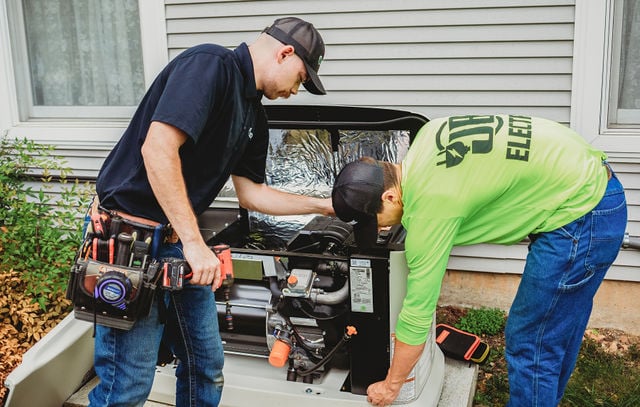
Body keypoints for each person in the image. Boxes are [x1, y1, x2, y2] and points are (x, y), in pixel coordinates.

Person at [89, 17, 332, 407]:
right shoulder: (209, 66)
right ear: (285, 53)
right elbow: (157, 150)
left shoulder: (254, 114)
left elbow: (252, 194)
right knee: (126, 385)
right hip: (130, 240)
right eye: (301, 78)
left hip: (177, 245)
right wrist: (193, 242)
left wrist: (324, 206)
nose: (295, 91)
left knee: (205, 365)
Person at [331, 114, 627, 407]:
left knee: (530, 342)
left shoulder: (430, 209)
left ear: (391, 197)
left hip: (581, 215)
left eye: (375, 220)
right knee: (553, 331)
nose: (381, 229)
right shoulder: (426, 137)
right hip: (594, 186)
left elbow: (416, 316)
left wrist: (391, 385)